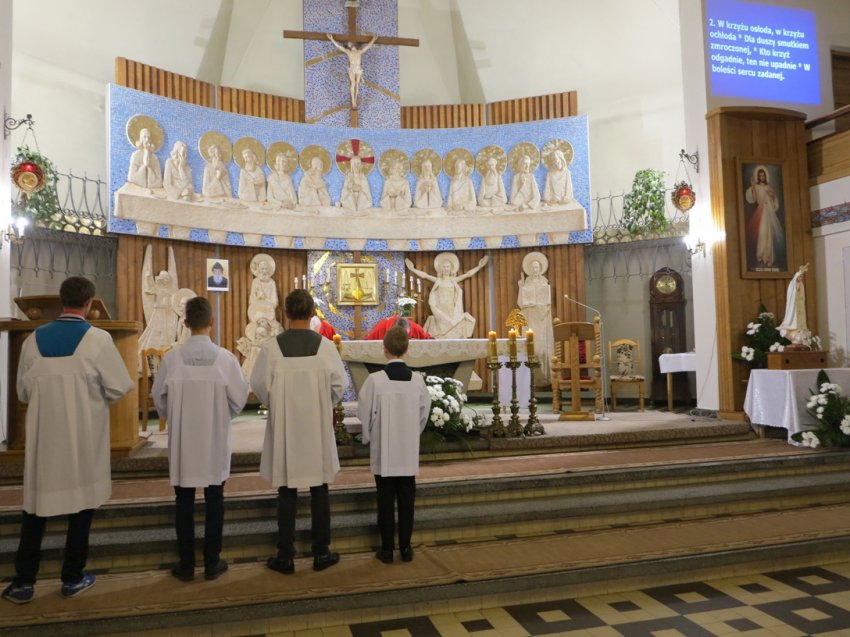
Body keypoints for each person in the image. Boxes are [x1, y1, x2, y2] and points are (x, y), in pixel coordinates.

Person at [3, 277, 134, 604]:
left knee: (35, 511)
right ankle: (72, 577)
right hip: (82, 437)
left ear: (62, 302)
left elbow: (23, 392)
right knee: (82, 507)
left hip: (44, 439)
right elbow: (119, 386)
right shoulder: (98, 340)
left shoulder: (33, 340)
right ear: (89, 304)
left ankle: (23, 582)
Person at [152, 297, 249, 582]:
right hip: (214, 438)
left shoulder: (171, 359)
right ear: (211, 322)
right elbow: (239, 399)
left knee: (183, 500)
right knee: (214, 498)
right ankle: (211, 562)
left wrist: (176, 416)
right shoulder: (225, 359)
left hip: (183, 442)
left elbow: (159, 399)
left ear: (185, 323)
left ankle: (186, 565)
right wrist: (221, 415)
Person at [251, 290, 348, 574]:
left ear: (286, 313)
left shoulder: (272, 348)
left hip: (285, 425)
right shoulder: (326, 347)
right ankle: (321, 552)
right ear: (312, 313)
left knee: (287, 488)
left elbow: (259, 385)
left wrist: (276, 403)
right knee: (319, 488)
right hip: (317, 426)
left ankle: (285, 556)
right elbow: (339, 386)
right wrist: (322, 403)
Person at [358, 326, 431, 564]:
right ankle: (406, 548)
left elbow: (364, 413)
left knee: (385, 499)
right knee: (407, 500)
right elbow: (423, 415)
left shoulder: (375, 381)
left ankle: (387, 549)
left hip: (384, 451)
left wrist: (370, 437)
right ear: (407, 348)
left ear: (385, 349)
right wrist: (410, 435)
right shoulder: (417, 381)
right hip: (407, 450)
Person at [405, 253, 488, 339]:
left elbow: (468, 274)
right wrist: (412, 269)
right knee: (441, 331)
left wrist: (480, 266)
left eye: (448, 267)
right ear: (441, 269)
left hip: (451, 309)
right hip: (440, 309)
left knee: (452, 328)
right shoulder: (438, 280)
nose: (446, 269)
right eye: (444, 267)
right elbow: (425, 275)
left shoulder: (453, 280)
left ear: (451, 268)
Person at [517, 252, 554, 384]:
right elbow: (521, 302)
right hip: (530, 316)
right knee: (530, 342)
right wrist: (521, 287)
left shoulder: (544, 282)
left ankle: (544, 377)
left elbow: (546, 300)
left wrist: (540, 305)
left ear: (540, 268)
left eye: (537, 267)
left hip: (542, 318)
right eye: (533, 267)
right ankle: (530, 378)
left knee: (541, 343)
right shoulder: (526, 283)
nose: (535, 270)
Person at [745, 166, 784, 269]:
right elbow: (753, 199)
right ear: (758, 177)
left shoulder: (768, 187)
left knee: (769, 234)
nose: (761, 177)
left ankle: (769, 257)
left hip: (769, 212)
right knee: (762, 233)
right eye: (760, 176)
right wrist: (753, 186)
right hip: (761, 212)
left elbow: (775, 202)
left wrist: (772, 196)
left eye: (763, 176)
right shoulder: (756, 187)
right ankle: (761, 256)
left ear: (765, 176)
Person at [327, 33, 378, 108]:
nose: (349, 44)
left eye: (349, 43)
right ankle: (353, 101)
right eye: (348, 44)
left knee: (357, 84)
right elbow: (339, 47)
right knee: (353, 83)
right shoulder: (349, 52)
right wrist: (332, 39)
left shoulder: (359, 51)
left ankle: (355, 100)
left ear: (353, 44)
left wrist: (373, 39)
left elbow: (368, 46)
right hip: (352, 69)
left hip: (358, 69)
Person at [778, 263, 810, 346]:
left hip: (799, 306)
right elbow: (791, 295)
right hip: (793, 306)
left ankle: (799, 331)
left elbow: (802, 295)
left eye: (802, 277)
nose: (801, 278)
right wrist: (796, 290)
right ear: (796, 277)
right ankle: (792, 330)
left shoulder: (801, 284)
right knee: (793, 318)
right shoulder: (792, 285)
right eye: (800, 277)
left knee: (800, 319)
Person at [366, 316, 431, 341]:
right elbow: (366, 343)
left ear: (409, 330)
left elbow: (428, 339)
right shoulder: (381, 327)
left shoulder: (415, 328)